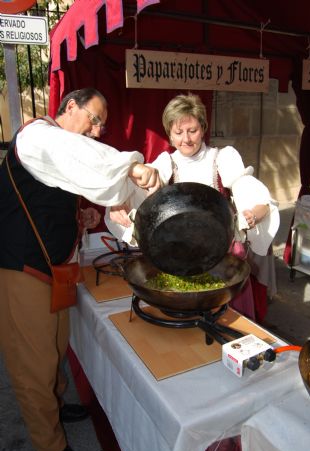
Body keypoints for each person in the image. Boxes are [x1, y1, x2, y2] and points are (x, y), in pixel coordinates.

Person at [0, 88, 161, 451]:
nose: (98, 129)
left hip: (54, 267)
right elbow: (80, 158)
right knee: (33, 364)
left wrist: (81, 220)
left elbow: (54, 193)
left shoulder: (58, 149)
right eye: (94, 118)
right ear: (70, 107)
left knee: (55, 346)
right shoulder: (38, 135)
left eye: (103, 124)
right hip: (22, 267)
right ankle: (48, 446)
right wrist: (130, 166)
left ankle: (54, 404)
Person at [107, 92, 279, 321]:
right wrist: (119, 203)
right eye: (178, 133)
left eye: (192, 131)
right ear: (169, 134)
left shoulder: (222, 158)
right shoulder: (165, 163)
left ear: (204, 128)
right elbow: (135, 189)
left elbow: (255, 196)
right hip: (179, 258)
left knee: (227, 322)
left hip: (220, 257)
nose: (186, 139)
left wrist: (255, 212)